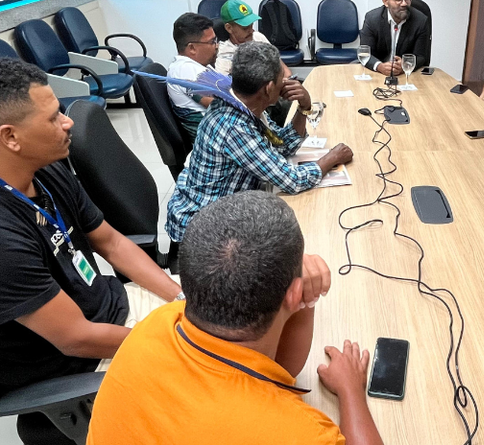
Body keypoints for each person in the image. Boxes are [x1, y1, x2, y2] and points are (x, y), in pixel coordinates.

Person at [88, 191, 384, 445]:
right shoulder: (301, 434)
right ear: (293, 295)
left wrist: (301, 294)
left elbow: (277, 371)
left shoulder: (158, 324)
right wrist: (350, 390)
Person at [0, 59, 182, 438]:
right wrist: (180, 341)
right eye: (52, 119)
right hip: (76, 360)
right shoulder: (5, 241)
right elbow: (75, 337)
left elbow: (112, 243)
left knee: (231, 321)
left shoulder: (46, 170)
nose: (67, 123)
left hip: (112, 310)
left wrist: (180, 299)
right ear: (11, 137)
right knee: (217, 385)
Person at [166, 42, 353, 242]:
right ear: (269, 87)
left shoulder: (244, 101)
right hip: (203, 228)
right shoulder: (233, 126)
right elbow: (293, 181)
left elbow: (282, 145)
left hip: (224, 207)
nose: (287, 81)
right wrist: (332, 158)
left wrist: (303, 107)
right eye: (283, 78)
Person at [215, 0, 293, 126]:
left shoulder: (257, 37)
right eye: (245, 27)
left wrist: (284, 83)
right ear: (229, 28)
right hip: (260, 105)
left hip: (276, 90)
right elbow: (230, 97)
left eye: (252, 25)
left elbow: (285, 70)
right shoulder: (225, 57)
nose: (251, 30)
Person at [360, 0, 429, 76]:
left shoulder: (420, 20)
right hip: (377, 74)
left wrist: (405, 64)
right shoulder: (372, 19)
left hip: (405, 75)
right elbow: (365, 53)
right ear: (385, 1)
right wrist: (379, 66)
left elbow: (421, 56)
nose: (404, 3)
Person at [168, 12, 219, 140]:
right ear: (192, 48)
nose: (217, 46)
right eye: (212, 42)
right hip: (214, 143)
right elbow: (219, 105)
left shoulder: (197, 66)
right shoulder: (185, 70)